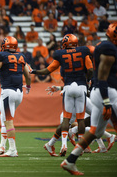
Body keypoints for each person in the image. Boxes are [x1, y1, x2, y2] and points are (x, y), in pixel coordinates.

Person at [61, 22, 117, 175]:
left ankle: (70, 161)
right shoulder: (108, 48)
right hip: (107, 92)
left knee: (95, 132)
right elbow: (103, 75)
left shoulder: (102, 47)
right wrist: (106, 101)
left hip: (99, 91)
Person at [32, 34, 93, 157]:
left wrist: (33, 71)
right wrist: (87, 80)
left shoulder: (60, 54)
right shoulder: (83, 51)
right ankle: (79, 147)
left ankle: (64, 144)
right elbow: (90, 69)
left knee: (66, 118)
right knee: (80, 119)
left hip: (68, 87)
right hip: (81, 86)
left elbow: (48, 70)